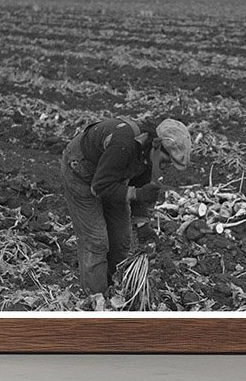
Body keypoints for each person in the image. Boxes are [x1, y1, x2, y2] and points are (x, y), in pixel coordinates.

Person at [60, 116, 192, 295]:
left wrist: (142, 224)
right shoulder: (124, 144)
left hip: (112, 178)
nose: (164, 167)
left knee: (121, 240)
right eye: (165, 161)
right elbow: (99, 188)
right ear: (157, 145)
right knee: (97, 241)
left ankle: (114, 290)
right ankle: (94, 299)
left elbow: (139, 184)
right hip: (82, 173)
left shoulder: (147, 154)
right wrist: (136, 194)